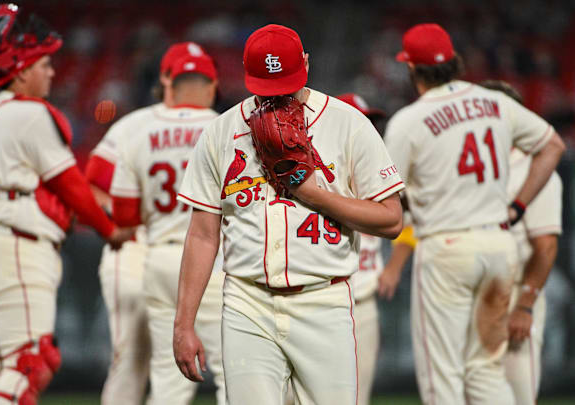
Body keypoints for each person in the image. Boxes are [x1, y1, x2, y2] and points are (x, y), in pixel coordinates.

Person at [172, 24, 405, 405]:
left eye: (287, 83)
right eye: (267, 86)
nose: (279, 96)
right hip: (247, 301)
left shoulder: (348, 124)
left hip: (324, 300)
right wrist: (184, 324)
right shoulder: (220, 132)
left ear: (308, 65)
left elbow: (392, 220)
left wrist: (313, 193)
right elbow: (202, 234)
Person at [0, 4, 132, 405]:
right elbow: (71, 185)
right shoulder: (28, 112)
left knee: (2, 370)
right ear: (20, 71)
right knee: (29, 363)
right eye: (44, 65)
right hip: (15, 249)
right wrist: (110, 231)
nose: (52, 73)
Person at [384, 24, 565, 405]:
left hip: (447, 246)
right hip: (498, 245)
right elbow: (553, 145)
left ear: (412, 69)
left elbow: (386, 195)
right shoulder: (495, 102)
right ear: (454, 62)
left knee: (442, 375)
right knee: (485, 369)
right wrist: (517, 207)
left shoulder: (409, 120)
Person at [85, 41, 210, 405]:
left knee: (163, 367)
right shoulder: (219, 125)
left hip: (162, 250)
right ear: (168, 81)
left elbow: (92, 188)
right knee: (137, 361)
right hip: (144, 248)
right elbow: (91, 186)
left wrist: (123, 221)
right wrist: (129, 224)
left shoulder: (136, 127)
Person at [109, 52, 226, 405]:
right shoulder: (228, 127)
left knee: (168, 376)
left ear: (170, 87)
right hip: (214, 259)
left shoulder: (139, 131)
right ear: (213, 88)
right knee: (232, 371)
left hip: (158, 255)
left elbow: (125, 216)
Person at [479, 80, 563, 405]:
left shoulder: (534, 167)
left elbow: (545, 245)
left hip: (514, 293)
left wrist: (526, 305)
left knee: (518, 395)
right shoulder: (472, 164)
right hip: (472, 291)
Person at [335, 93, 387, 405]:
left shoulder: (382, 174)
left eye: (371, 121)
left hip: (363, 304)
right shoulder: (319, 174)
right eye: (361, 120)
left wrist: (394, 268)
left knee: (358, 398)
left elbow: (407, 224)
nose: (368, 129)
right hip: (322, 301)